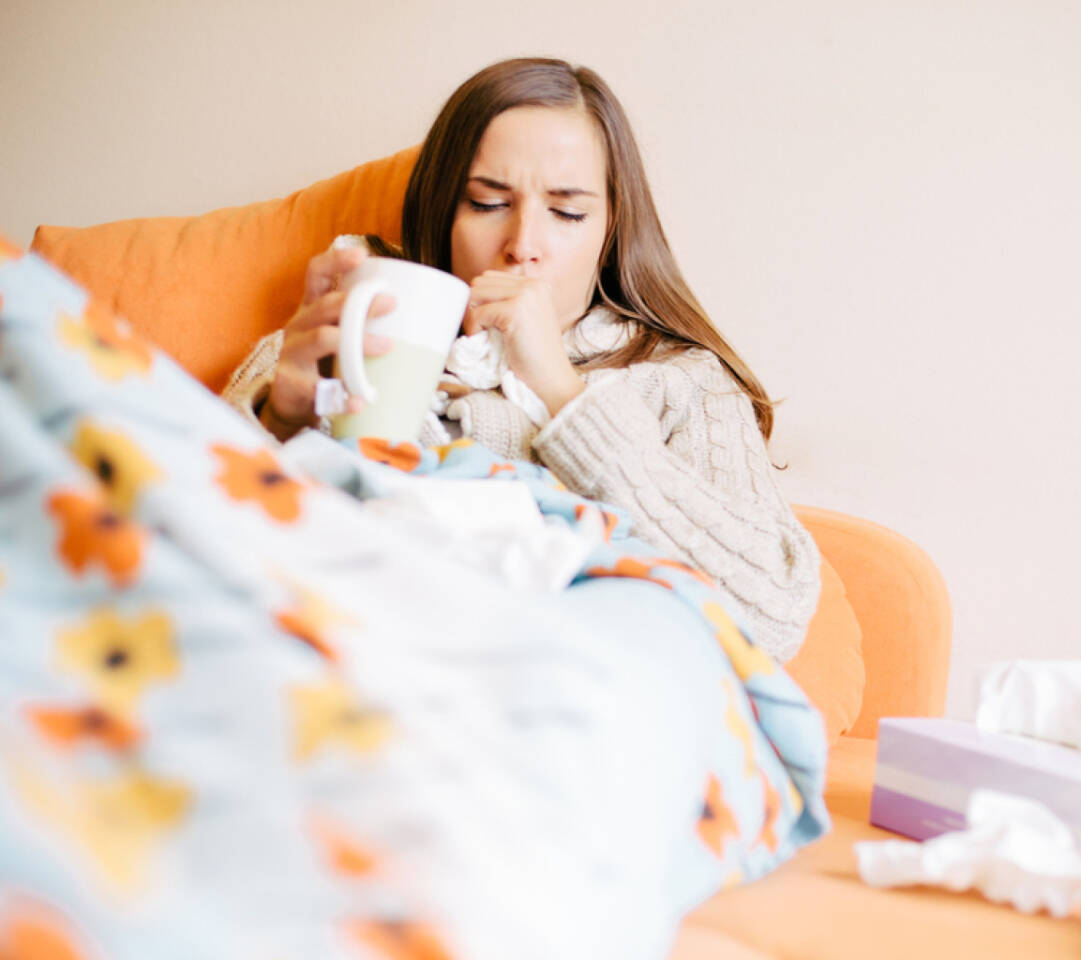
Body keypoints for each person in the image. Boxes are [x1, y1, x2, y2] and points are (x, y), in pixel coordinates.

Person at [222, 57, 820, 662]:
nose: (522, 247)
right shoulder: (346, 334)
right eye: (486, 204)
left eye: (566, 213)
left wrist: (565, 394)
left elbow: (775, 621)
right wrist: (279, 421)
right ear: (441, 213)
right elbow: (177, 538)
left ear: (611, 229)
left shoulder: (685, 385)